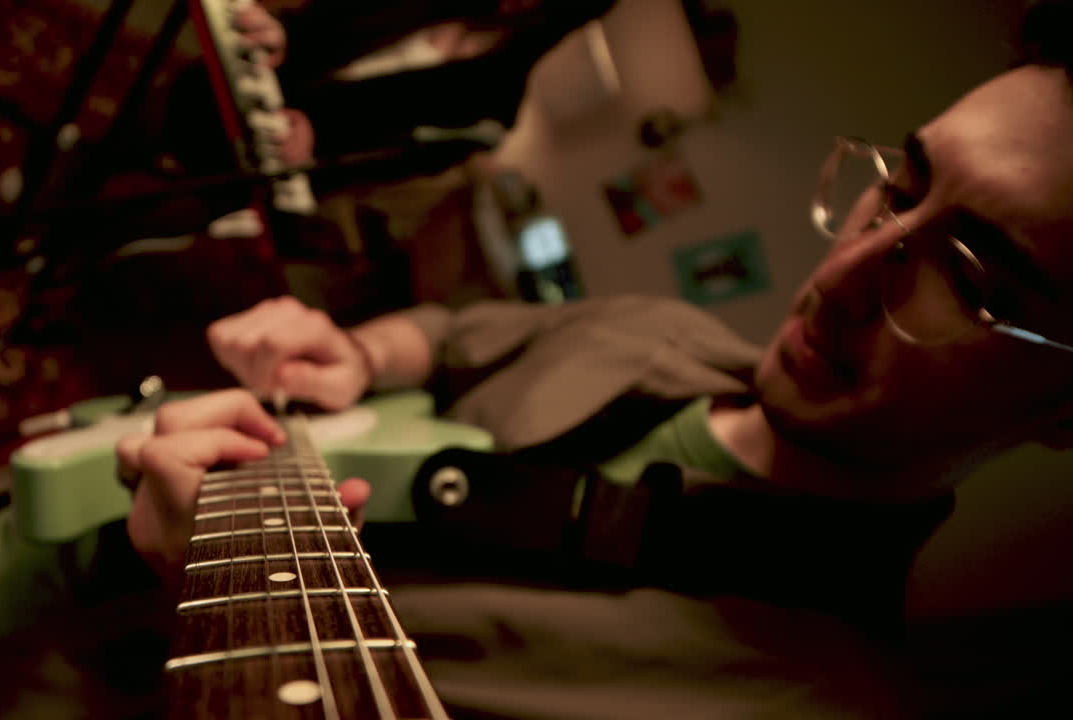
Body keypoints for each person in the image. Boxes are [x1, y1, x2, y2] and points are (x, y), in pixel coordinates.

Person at [110, 6, 1073, 716]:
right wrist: (358, 353)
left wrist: (216, 623)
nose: (848, 270)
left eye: (975, 275)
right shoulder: (660, 329)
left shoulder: (815, 698)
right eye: (902, 185)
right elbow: (452, 336)